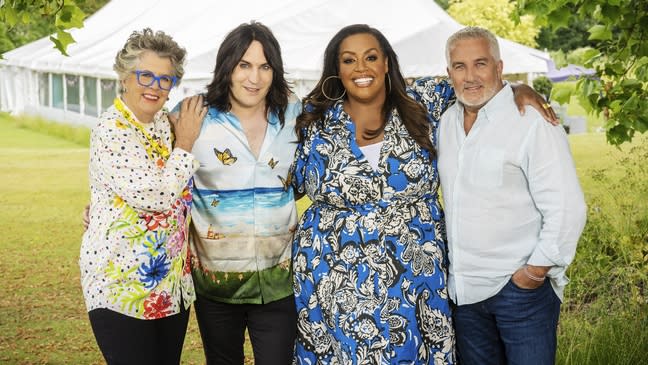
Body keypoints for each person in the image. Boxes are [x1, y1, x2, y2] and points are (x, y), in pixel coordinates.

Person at [290, 24, 554, 364]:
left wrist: (517, 88)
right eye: (348, 60)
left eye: (371, 57)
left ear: (387, 63)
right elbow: (285, 181)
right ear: (336, 69)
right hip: (334, 274)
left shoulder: (424, 102)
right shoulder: (314, 122)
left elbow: (476, 81)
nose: (361, 68)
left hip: (416, 276)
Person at [437, 27, 587, 365]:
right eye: (459, 66)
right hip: (464, 296)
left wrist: (532, 274)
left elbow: (567, 208)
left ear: (499, 67)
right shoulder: (444, 122)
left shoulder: (531, 120)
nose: (471, 76)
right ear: (449, 73)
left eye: (481, 63)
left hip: (520, 293)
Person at [79, 28, 207, 365]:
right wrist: (186, 144)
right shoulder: (112, 129)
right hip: (122, 286)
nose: (155, 86)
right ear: (124, 76)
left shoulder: (167, 125)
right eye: (145, 75)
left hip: (171, 286)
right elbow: (157, 195)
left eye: (165, 79)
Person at [180, 22, 299, 365]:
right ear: (227, 67)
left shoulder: (295, 115)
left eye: (264, 67)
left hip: (280, 281)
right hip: (216, 286)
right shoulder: (192, 115)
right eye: (244, 65)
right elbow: (155, 167)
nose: (254, 78)